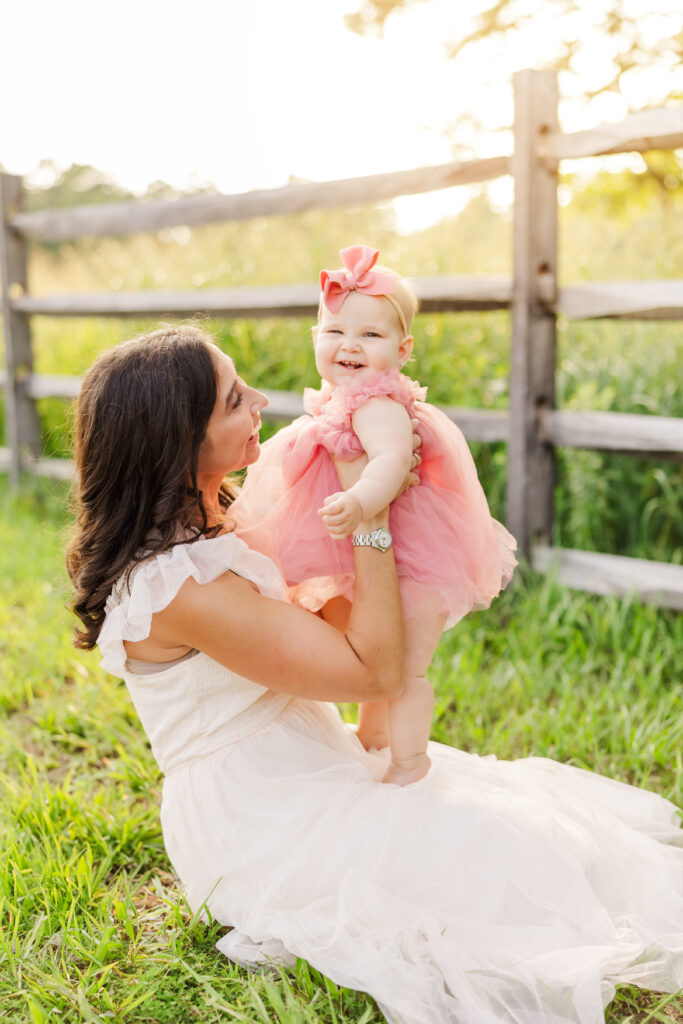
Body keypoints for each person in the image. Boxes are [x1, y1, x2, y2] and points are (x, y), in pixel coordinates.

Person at [67, 324, 683, 1024]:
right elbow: (374, 669)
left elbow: (333, 622)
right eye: (235, 399)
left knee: (528, 833)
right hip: (260, 819)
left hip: (307, 766)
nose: (262, 400)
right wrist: (371, 516)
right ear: (176, 442)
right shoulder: (177, 584)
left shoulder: (213, 520)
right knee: (493, 865)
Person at [230, 245, 517, 785]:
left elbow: (390, 460)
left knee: (405, 666)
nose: (350, 346)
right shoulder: (344, 399)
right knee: (374, 651)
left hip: (409, 556)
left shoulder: (380, 404)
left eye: (370, 335)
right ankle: (373, 739)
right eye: (335, 332)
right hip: (366, 553)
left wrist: (362, 500)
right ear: (315, 338)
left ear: (403, 350)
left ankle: (410, 763)